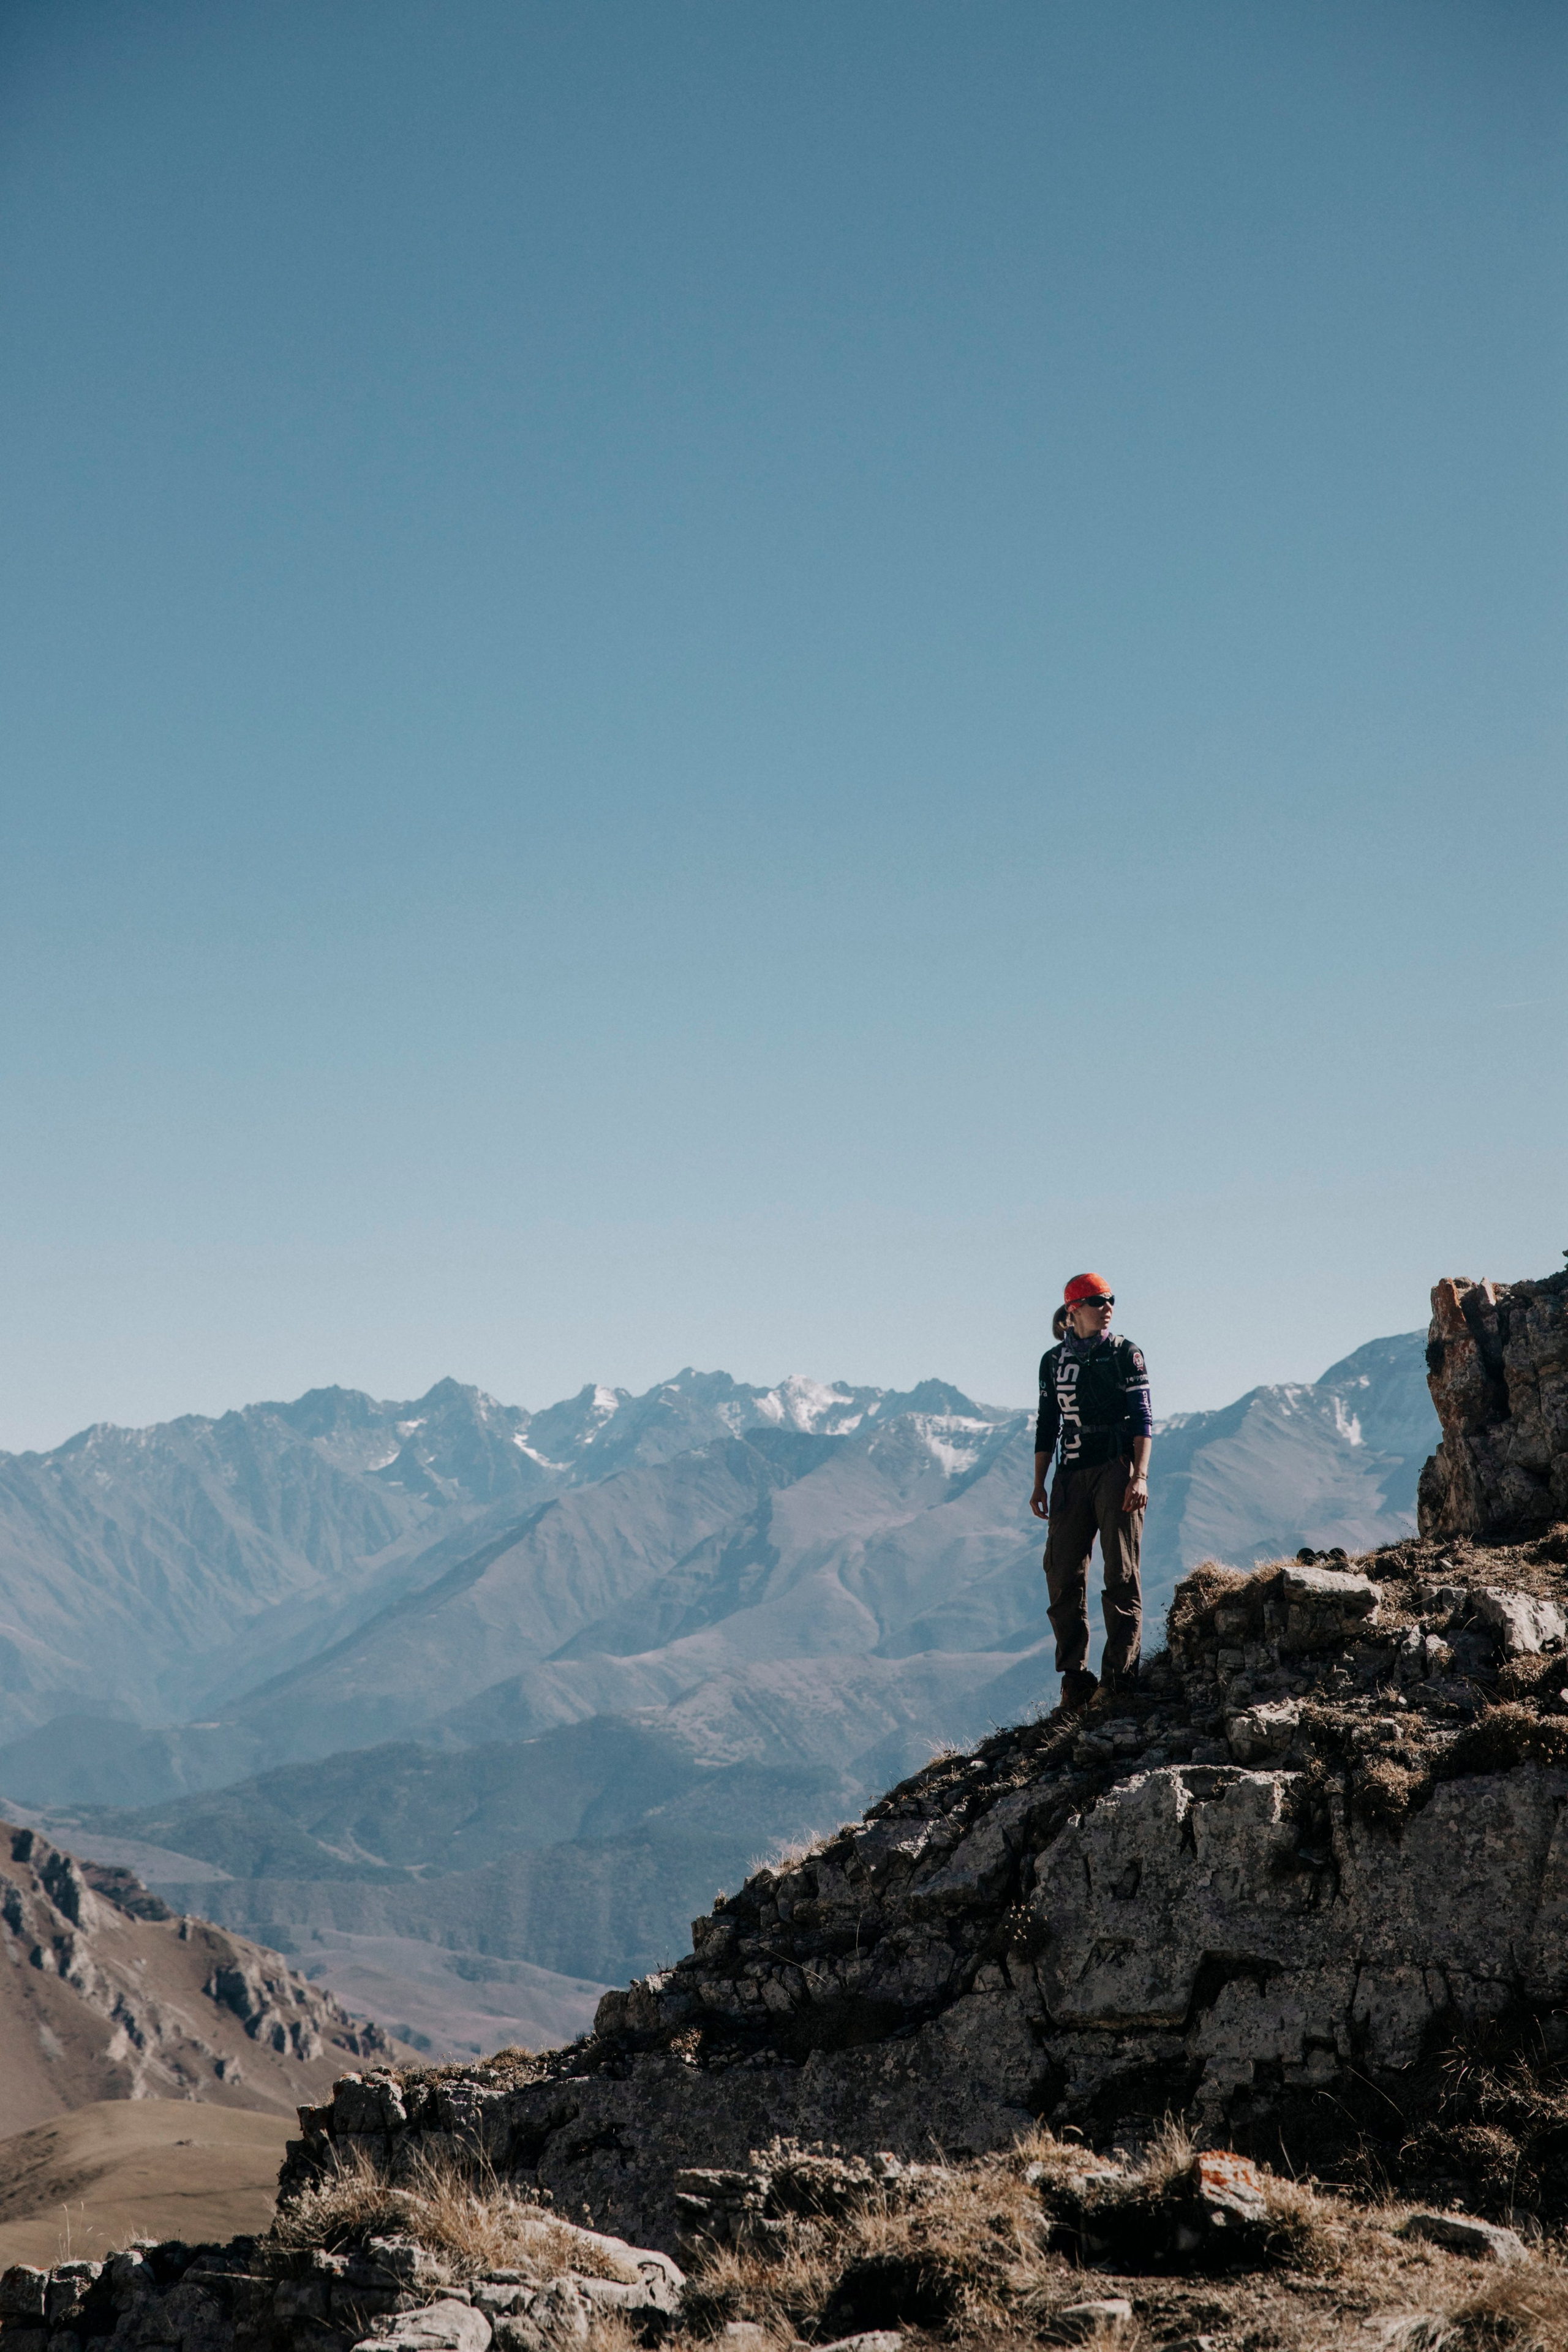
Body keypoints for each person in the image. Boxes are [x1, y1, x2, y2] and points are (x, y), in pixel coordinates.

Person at [1029, 1272, 1152, 1714]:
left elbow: (1143, 1419)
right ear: (1073, 1310)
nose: (1108, 1306)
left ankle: (1119, 1679)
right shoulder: (1052, 1362)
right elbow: (1048, 1423)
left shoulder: (1125, 1354)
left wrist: (1140, 1476)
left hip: (1117, 1469)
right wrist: (1040, 1482)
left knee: (1120, 1572)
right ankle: (1076, 1680)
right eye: (1098, 1300)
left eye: (1111, 1299)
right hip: (1070, 1473)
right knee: (1061, 1573)